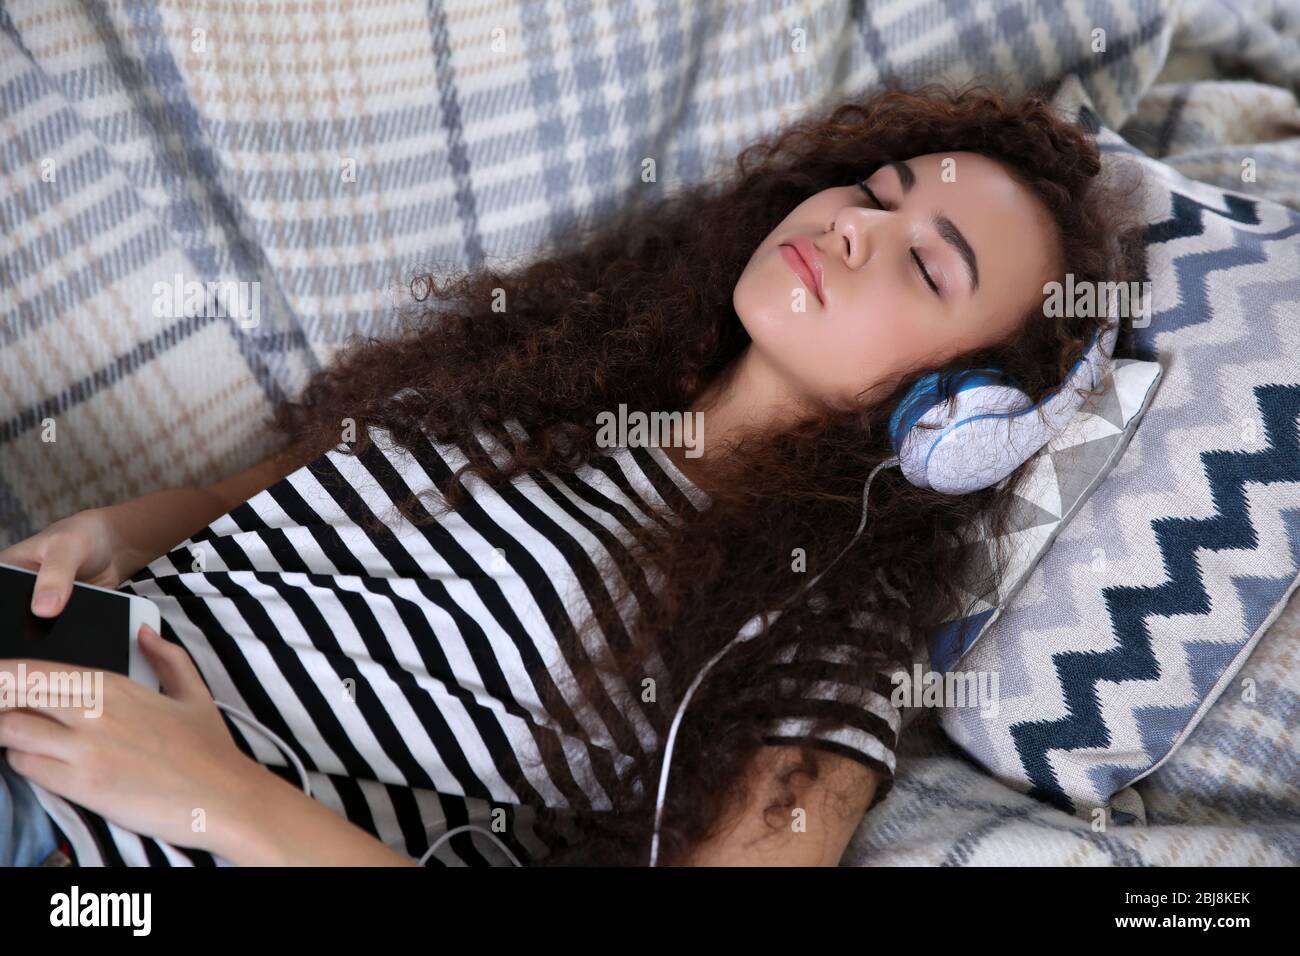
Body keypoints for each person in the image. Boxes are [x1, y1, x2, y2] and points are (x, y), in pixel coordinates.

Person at [0, 82, 1145, 867]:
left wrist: (211, 794)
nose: (855, 229)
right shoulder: (557, 362)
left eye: (927, 265)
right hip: (50, 656)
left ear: (955, 419)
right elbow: (260, 501)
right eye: (878, 193)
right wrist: (108, 533)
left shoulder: (815, 636)